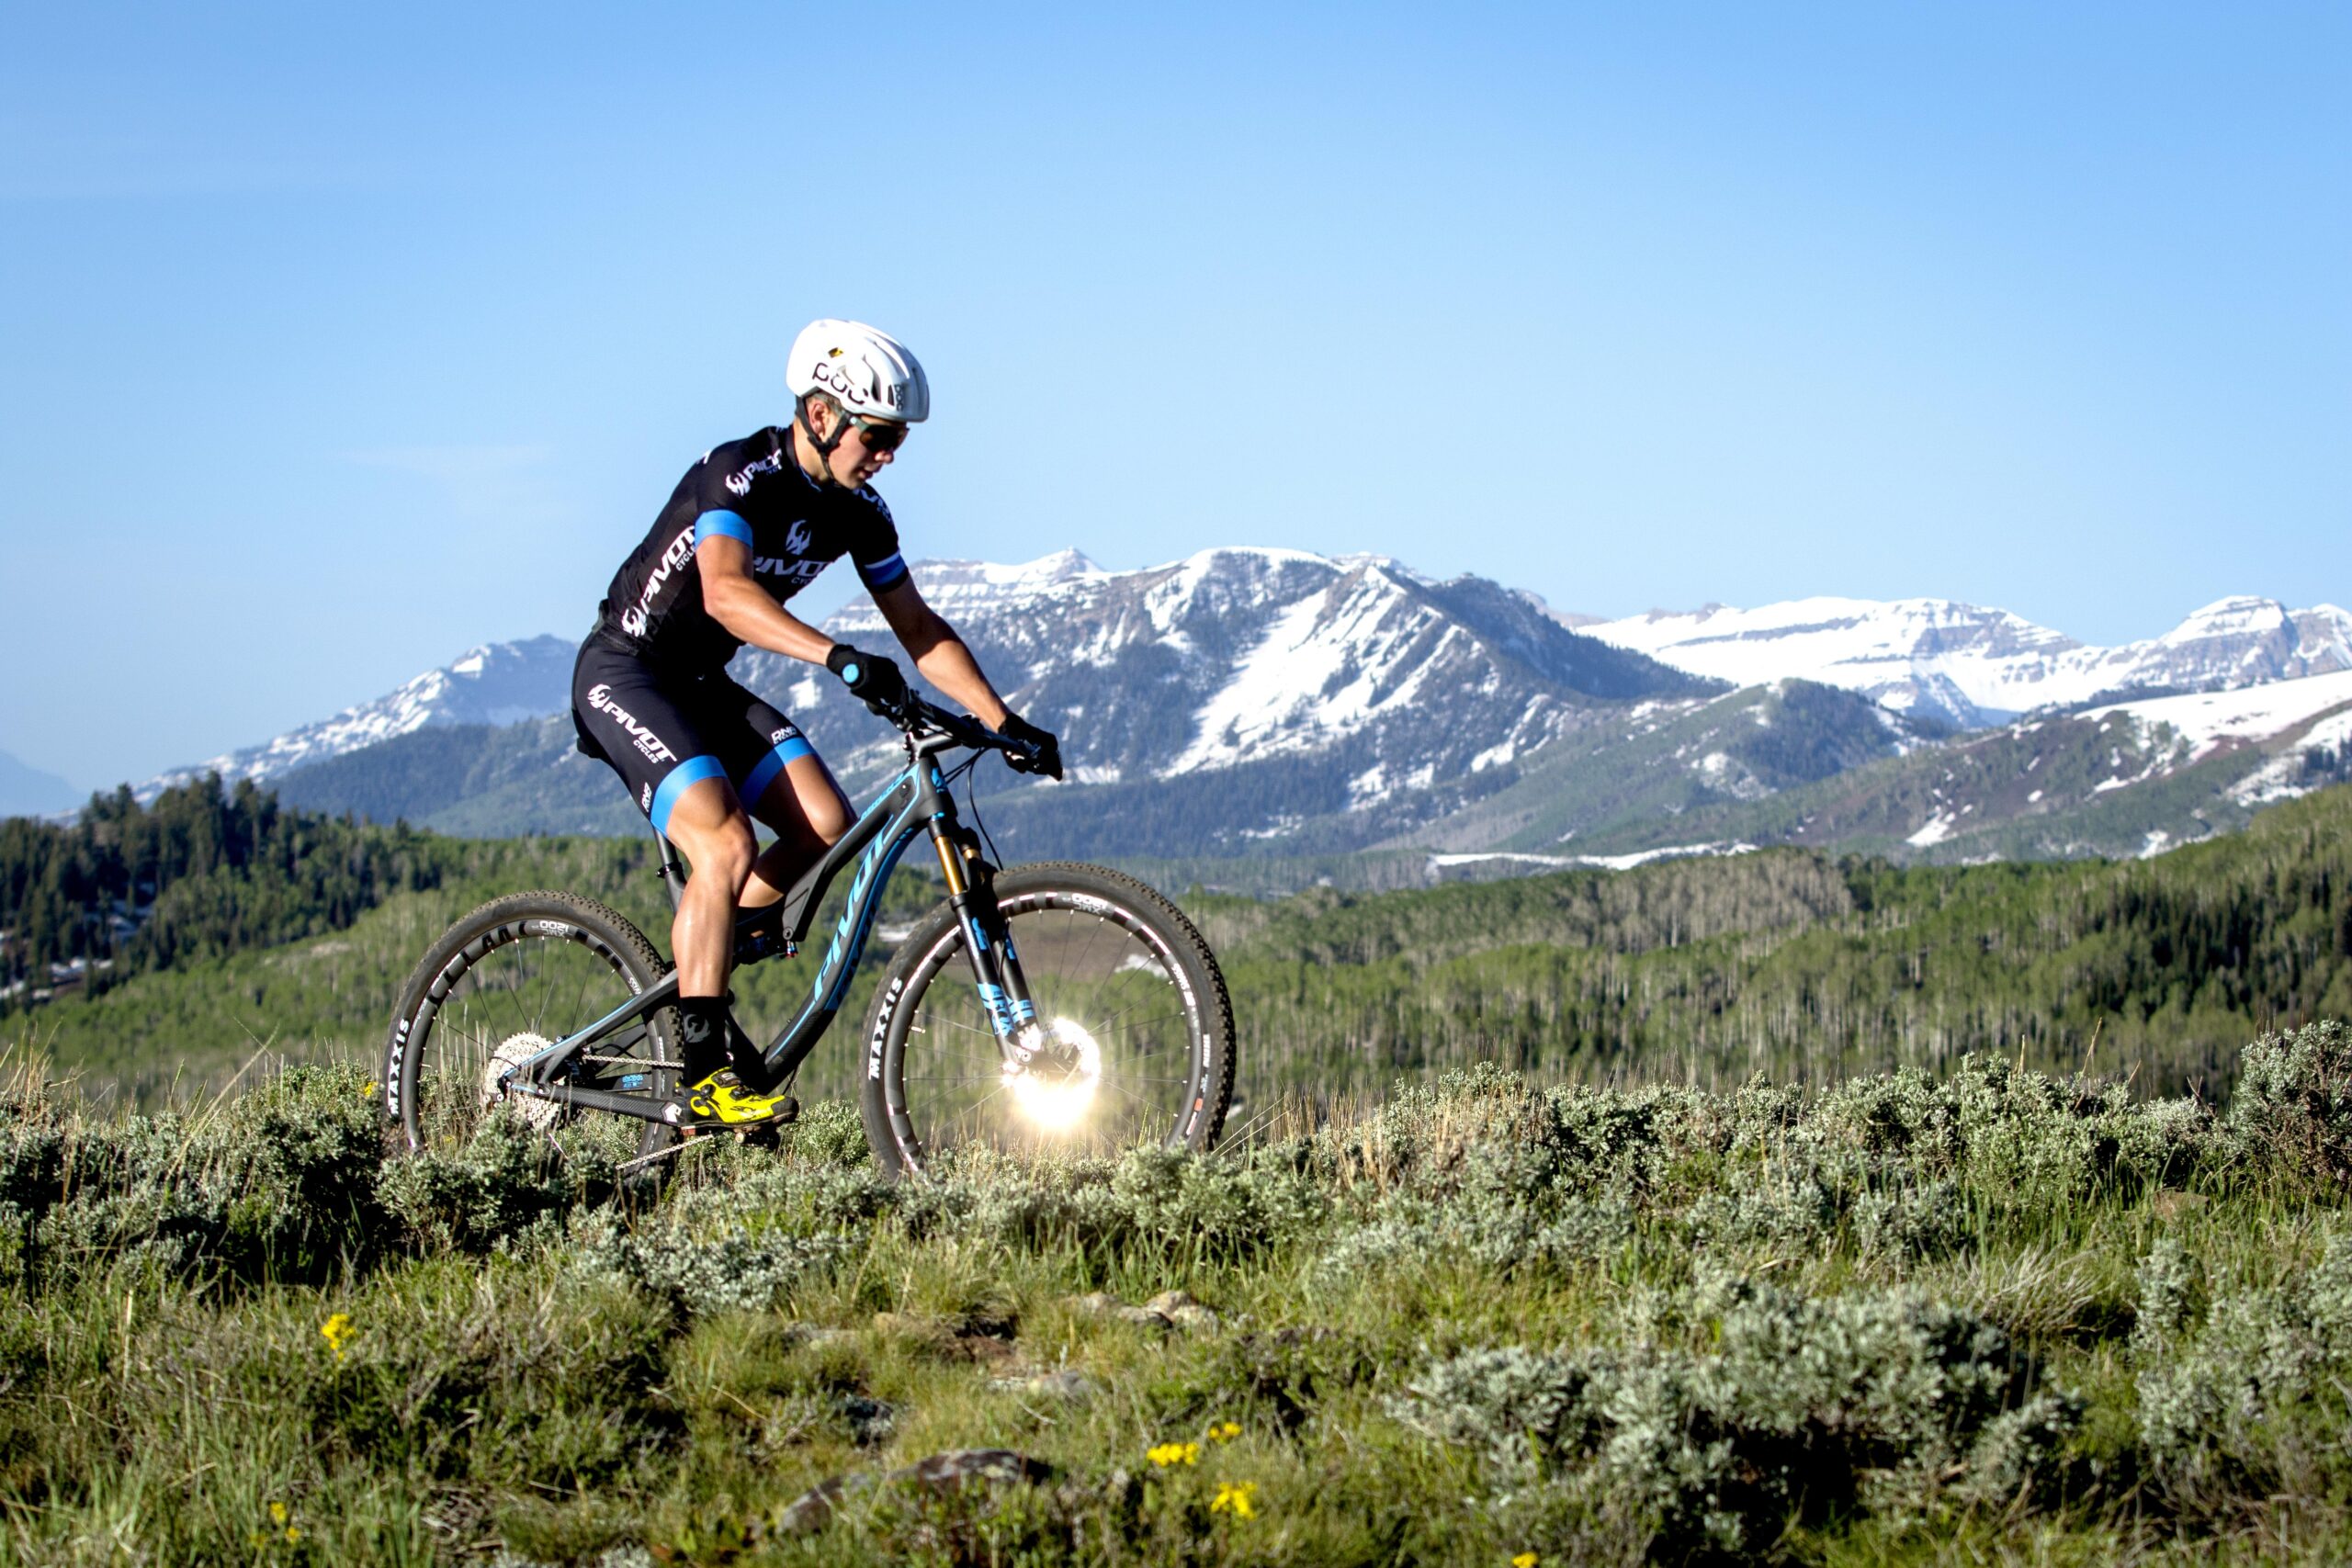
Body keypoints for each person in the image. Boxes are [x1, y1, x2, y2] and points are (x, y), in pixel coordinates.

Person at [570, 319, 1061, 1125]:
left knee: (825, 823)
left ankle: (713, 947)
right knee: (724, 842)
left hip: (699, 683)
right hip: (627, 670)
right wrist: (837, 657)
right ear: (823, 413)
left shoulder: (860, 512)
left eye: (899, 439)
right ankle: (704, 1072)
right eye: (879, 435)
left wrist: (1003, 719)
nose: (889, 454)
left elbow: (919, 629)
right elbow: (725, 592)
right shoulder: (740, 474)